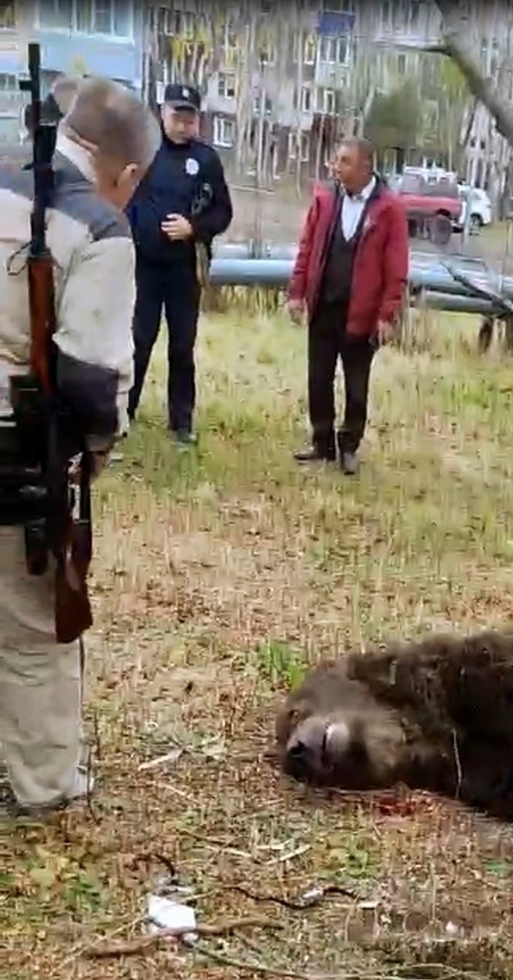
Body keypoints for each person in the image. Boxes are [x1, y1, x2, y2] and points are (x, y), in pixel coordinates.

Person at [0, 76, 160, 816]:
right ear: (125, 172)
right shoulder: (99, 229)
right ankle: (46, 786)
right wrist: (95, 449)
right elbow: (93, 381)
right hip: (14, 448)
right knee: (35, 629)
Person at [286, 136, 410, 476]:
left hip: (362, 314)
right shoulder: (325, 199)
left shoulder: (390, 210)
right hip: (324, 305)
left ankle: (349, 446)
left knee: (357, 387)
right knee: (318, 379)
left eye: (344, 161)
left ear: (365, 166)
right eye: (336, 160)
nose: (335, 167)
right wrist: (297, 292)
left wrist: (388, 314)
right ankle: (321, 443)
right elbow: (307, 246)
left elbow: (397, 268)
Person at [126, 83, 233, 446]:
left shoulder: (206, 160)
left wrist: (194, 228)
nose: (183, 124)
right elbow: (121, 196)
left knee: (181, 346)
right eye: (177, 116)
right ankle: (124, 411)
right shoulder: (143, 151)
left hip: (184, 270)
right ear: (162, 113)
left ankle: (181, 421)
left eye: (190, 117)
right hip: (144, 266)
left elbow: (223, 212)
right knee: (138, 341)